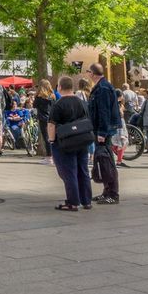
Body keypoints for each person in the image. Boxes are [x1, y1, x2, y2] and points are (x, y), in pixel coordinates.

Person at [49, 74, 93, 211]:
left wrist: (51, 140)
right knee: (83, 170)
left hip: (65, 143)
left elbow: (51, 125)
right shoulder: (82, 103)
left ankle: (73, 202)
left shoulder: (58, 104)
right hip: (82, 140)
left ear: (60, 87)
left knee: (69, 172)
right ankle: (86, 201)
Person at [87, 64, 121, 204]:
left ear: (93, 73)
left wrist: (102, 132)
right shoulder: (102, 86)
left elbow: (104, 111)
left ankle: (113, 193)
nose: (87, 74)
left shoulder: (103, 88)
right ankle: (107, 191)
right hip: (102, 129)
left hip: (103, 130)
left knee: (106, 161)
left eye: (89, 71)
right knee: (103, 160)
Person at [33, 79, 54, 164]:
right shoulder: (52, 96)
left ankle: (49, 157)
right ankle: (54, 156)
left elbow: (34, 105)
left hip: (43, 119)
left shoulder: (39, 97)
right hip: (52, 119)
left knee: (46, 138)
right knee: (52, 138)